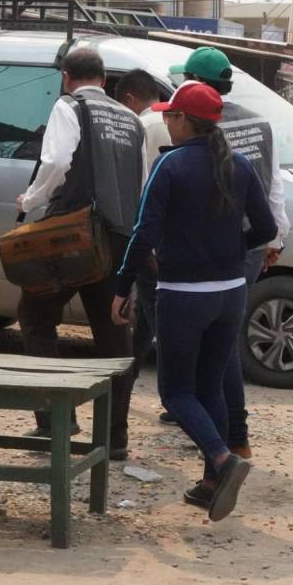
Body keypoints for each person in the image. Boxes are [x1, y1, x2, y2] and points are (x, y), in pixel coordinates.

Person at [111, 81, 276, 522]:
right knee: (209, 386)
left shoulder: (171, 167)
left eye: (170, 115)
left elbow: (143, 233)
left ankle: (223, 459)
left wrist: (122, 285)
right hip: (230, 292)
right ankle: (209, 484)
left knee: (176, 391)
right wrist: (229, 249)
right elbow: (265, 228)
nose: (165, 120)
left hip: (184, 295)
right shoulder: (239, 165)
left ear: (184, 121)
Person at [16, 48, 145, 460]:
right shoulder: (131, 120)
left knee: (35, 317)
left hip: (71, 237)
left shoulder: (68, 106)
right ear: (105, 80)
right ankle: (114, 439)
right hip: (120, 238)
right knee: (113, 335)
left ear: (67, 77)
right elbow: (139, 183)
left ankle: (55, 418)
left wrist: (31, 199)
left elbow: (55, 161)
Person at [173, 47, 290, 457]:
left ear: (193, 84)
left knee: (213, 353)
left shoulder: (190, 127)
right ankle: (225, 434)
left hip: (208, 249)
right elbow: (275, 186)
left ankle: (226, 438)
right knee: (221, 345)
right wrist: (273, 240)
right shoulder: (261, 123)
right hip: (249, 247)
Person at [115, 68, 164, 407]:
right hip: (175, 243)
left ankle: (180, 401)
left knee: (156, 319)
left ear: (130, 100)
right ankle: (128, 384)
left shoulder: (139, 126)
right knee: (145, 321)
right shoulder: (177, 119)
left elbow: (138, 190)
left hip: (149, 243)